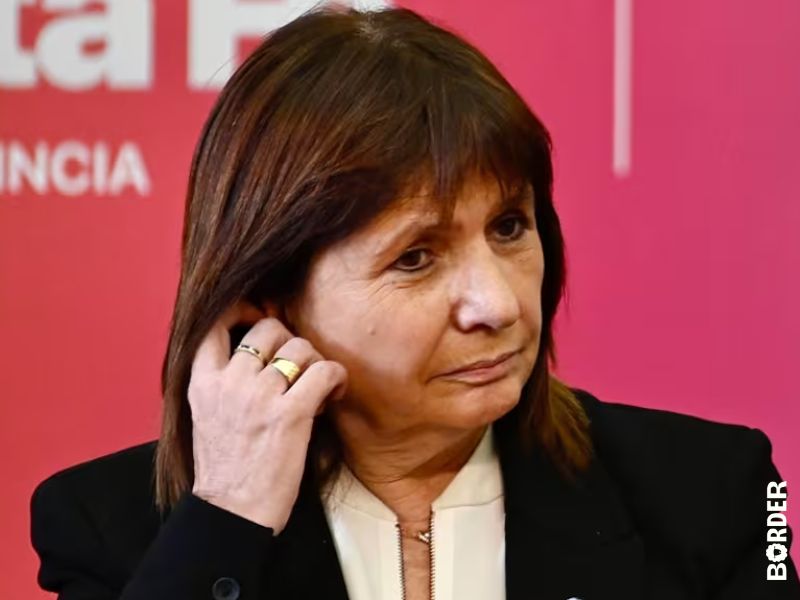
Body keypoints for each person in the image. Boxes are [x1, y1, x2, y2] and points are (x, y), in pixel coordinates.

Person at [30, 6, 798, 600]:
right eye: (416, 258)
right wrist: (229, 516)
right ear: (268, 298)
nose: (497, 304)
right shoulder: (113, 529)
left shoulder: (719, 490)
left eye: (509, 227)